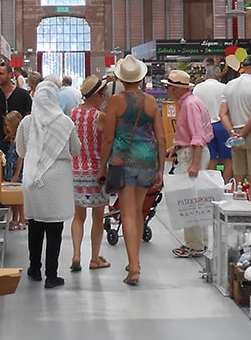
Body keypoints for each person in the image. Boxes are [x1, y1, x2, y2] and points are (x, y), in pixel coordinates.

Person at [98, 54, 165, 286]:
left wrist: (102, 166)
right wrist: (161, 169)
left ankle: (134, 268)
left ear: (120, 78)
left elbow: (108, 138)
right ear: (141, 78)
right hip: (147, 159)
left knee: (126, 213)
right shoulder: (151, 102)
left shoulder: (115, 101)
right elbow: (161, 137)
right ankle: (135, 261)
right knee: (137, 212)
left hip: (123, 160)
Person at [16, 80, 79, 289]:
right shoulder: (65, 122)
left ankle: (34, 268)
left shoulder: (27, 122)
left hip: (33, 177)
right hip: (57, 178)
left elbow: (21, 151)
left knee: (34, 225)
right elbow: (76, 149)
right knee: (54, 228)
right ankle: (52, 275)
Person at [164, 69, 212, 258]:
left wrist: (195, 163)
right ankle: (200, 242)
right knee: (196, 199)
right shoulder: (191, 102)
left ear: (175, 89)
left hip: (192, 154)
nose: (167, 91)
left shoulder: (189, 105)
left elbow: (197, 136)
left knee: (189, 200)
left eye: (168, 87)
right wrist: (175, 147)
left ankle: (194, 244)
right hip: (190, 151)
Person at [68, 74, 112, 272]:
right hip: (96, 171)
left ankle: (76, 254)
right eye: (103, 95)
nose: (104, 99)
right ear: (95, 96)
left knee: (78, 217)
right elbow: (106, 143)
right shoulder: (99, 116)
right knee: (98, 216)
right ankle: (94, 258)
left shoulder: (73, 113)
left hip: (76, 170)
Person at [221, 54, 251, 205]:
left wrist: (233, 133)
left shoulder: (229, 85)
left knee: (238, 177)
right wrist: (243, 134)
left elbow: (222, 113)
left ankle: (236, 209)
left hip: (235, 134)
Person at [194, 59, 237, 188]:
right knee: (228, 159)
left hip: (204, 127)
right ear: (218, 75)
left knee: (210, 158)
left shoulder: (197, 88)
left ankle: (213, 186)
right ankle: (226, 186)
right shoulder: (224, 88)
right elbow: (229, 109)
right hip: (222, 125)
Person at [4, 109, 27, 230]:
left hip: (16, 171)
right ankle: (15, 218)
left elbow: (20, 158)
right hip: (11, 169)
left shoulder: (19, 139)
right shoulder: (13, 137)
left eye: (8, 125)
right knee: (13, 197)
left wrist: (16, 174)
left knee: (19, 197)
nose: (6, 127)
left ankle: (22, 218)